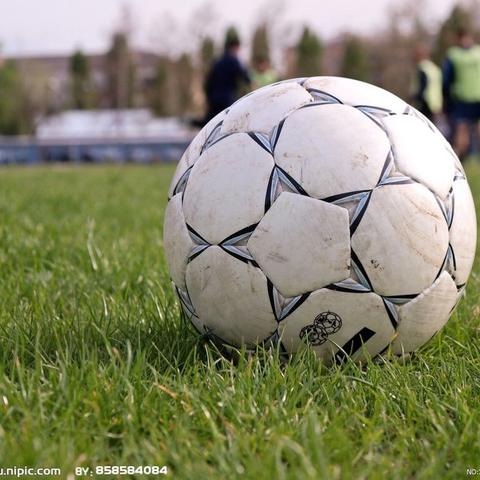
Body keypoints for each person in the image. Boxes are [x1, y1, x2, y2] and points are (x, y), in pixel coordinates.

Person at [443, 27, 480, 161]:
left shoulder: (476, 52)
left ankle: (470, 161)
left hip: (476, 98)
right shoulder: (454, 55)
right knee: (461, 132)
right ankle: (458, 160)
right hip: (461, 99)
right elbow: (446, 80)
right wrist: (447, 98)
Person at [204, 29, 251, 124]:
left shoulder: (217, 62)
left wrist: (209, 99)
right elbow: (246, 78)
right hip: (227, 101)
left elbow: (207, 84)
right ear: (236, 47)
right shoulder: (234, 61)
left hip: (214, 101)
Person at [411, 44, 442, 122]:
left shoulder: (423, 68)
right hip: (436, 103)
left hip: (426, 103)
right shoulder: (434, 68)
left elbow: (422, 87)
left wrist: (414, 98)